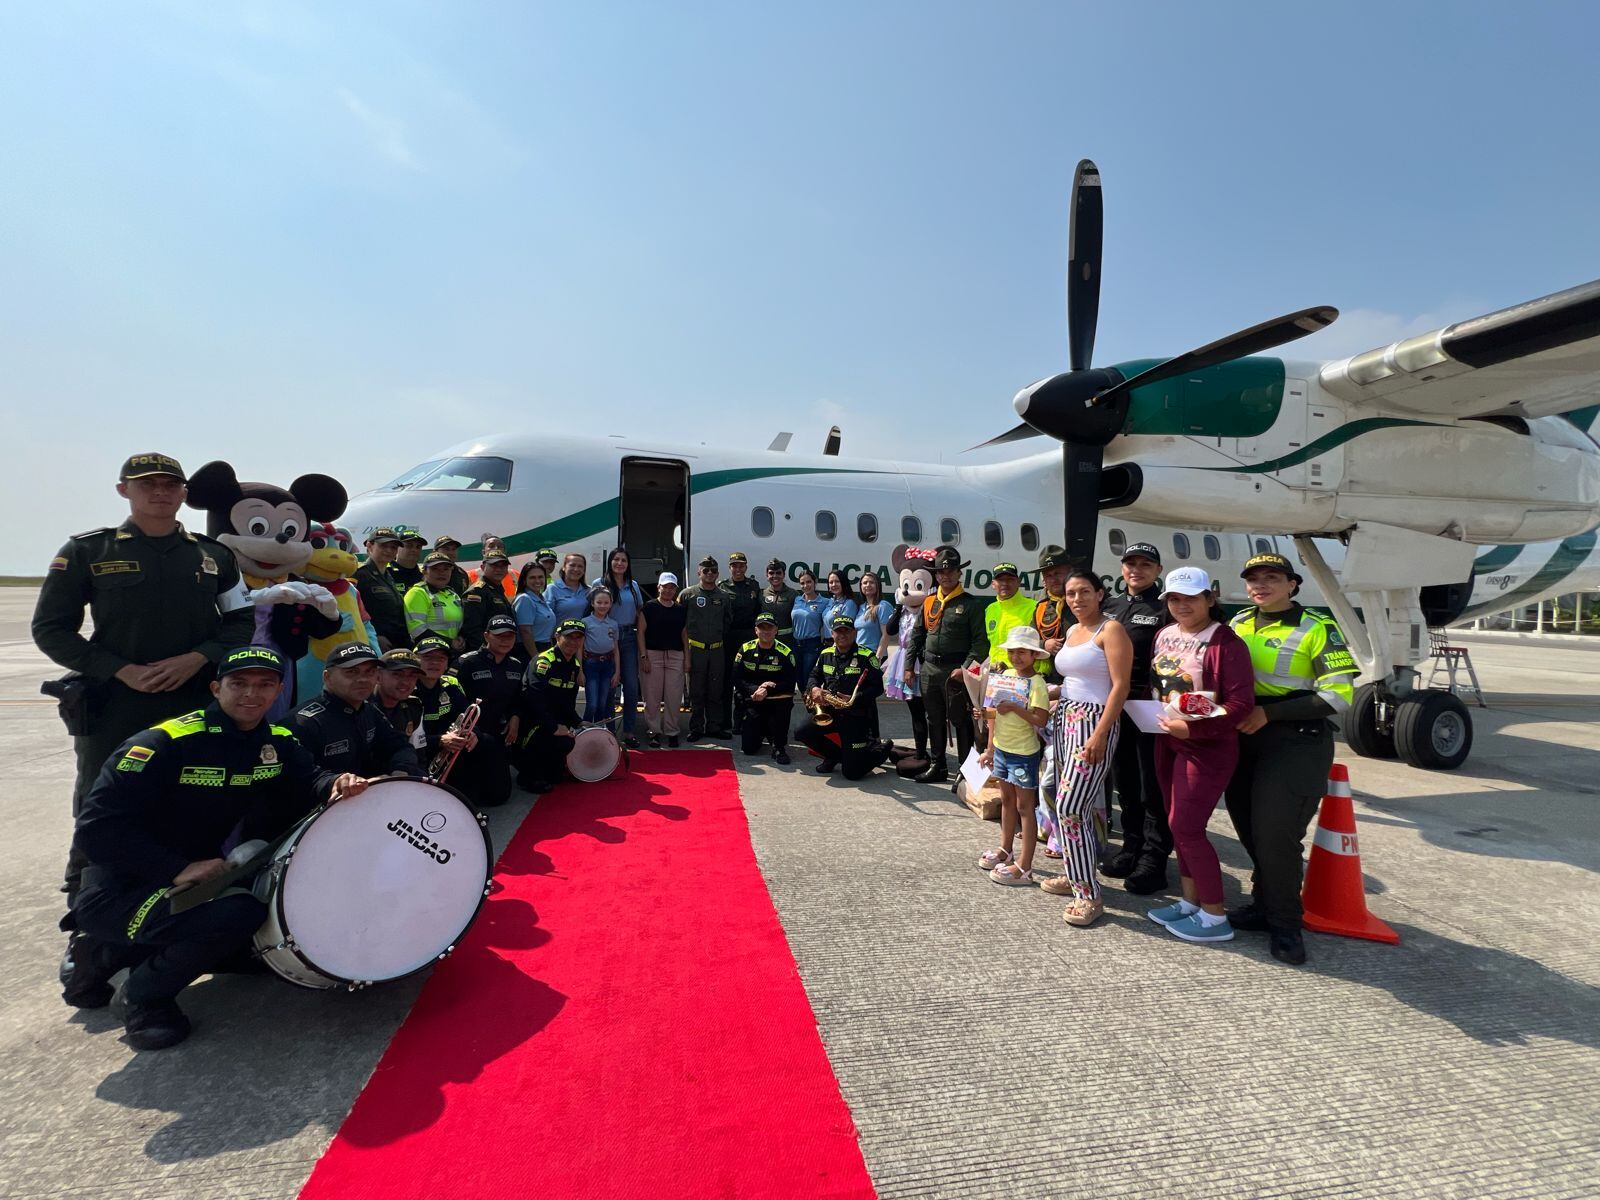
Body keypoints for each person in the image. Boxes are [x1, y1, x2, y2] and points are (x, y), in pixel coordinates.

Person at [63, 645, 362, 1049]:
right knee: (242, 913)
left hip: (197, 880)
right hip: (121, 889)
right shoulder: (164, 743)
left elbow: (309, 778)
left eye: (264, 685)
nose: (251, 695)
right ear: (216, 687)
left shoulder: (276, 741)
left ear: (278, 692)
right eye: (239, 684)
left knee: (254, 944)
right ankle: (142, 995)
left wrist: (337, 783)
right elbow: (95, 831)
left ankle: (108, 953)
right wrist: (174, 868)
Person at [33, 452, 255, 928]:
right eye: (146, 484)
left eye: (170, 485)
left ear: (183, 494)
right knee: (103, 802)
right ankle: (88, 909)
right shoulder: (88, 551)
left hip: (192, 700)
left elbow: (241, 621)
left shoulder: (213, 556)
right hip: (116, 705)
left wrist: (199, 657)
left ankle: (190, 895)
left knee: (193, 799)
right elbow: (51, 629)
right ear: (124, 491)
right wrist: (118, 670)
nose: (160, 492)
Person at [1223, 553, 1358, 964]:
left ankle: (1285, 924)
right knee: (1247, 826)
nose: (1260, 585)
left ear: (1292, 584)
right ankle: (1264, 905)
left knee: (1276, 835)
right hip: (1245, 738)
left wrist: (1271, 712)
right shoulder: (1238, 624)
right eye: (1253, 579)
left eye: (1272, 578)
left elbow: (1339, 695)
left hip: (1295, 740)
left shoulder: (1317, 628)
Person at [1144, 567, 1258, 946]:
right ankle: (1191, 902)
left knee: (1189, 828)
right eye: (1174, 599)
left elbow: (1240, 705)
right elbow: (1159, 684)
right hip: (1168, 739)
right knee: (1177, 826)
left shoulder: (1226, 643)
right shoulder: (1164, 634)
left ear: (1210, 598)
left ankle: (1214, 914)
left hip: (1207, 746)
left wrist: (1194, 730)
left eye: (1191, 598)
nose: (1181, 605)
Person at [1041, 570, 1133, 927]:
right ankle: (1075, 873)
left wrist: (1098, 735)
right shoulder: (1071, 631)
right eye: (1070, 594)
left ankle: (1090, 895)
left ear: (1099, 593)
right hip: (1064, 719)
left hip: (1094, 723)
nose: (1076, 599)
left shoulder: (1110, 630)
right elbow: (1074, 680)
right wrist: (1047, 693)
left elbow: (1120, 687)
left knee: (1070, 806)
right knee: (1070, 801)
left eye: (1084, 592)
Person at [1102, 542, 1174, 894]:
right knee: (1125, 781)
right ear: (1121, 568)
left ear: (1158, 570)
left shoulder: (1165, 608)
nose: (1137, 570)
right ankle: (1131, 847)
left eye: (1146, 564)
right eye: (1131, 563)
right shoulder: (1111, 607)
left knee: (1152, 787)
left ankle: (1153, 859)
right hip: (1115, 705)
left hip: (1149, 706)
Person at [906, 547, 989, 784]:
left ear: (959, 574)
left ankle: (964, 770)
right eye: (941, 572)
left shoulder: (971, 604)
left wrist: (965, 670)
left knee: (960, 720)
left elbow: (980, 643)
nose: (946, 576)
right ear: (936, 575)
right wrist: (909, 666)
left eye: (951, 571)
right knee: (933, 718)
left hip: (956, 672)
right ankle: (938, 765)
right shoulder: (930, 602)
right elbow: (917, 635)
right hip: (930, 670)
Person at [977, 627, 1052, 887]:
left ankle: (1025, 865)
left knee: (1025, 808)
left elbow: (1040, 719)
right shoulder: (1006, 676)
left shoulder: (1038, 683)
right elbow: (993, 716)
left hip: (1023, 753)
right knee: (1006, 801)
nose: (1016, 657)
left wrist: (1016, 708)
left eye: (1022, 652)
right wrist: (989, 745)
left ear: (1034, 655)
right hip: (1002, 749)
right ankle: (1005, 849)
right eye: (1011, 651)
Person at [290, 642, 424, 778]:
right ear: (327, 677)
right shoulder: (304, 723)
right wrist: (336, 784)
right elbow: (299, 779)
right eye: (352, 672)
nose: (363, 679)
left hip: (373, 794)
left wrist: (400, 771)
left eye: (369, 672)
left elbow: (400, 746)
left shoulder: (369, 711)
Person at [795, 614, 890, 780]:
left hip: (855, 716)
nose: (842, 635)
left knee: (852, 774)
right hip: (830, 711)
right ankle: (835, 756)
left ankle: (880, 751)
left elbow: (877, 688)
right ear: (832, 634)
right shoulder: (825, 654)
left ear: (854, 633)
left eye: (846, 631)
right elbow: (813, 676)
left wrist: (855, 698)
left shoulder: (866, 656)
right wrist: (815, 688)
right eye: (838, 631)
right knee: (802, 732)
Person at [452, 614, 523, 807]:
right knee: (470, 797)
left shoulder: (516, 665)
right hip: (471, 736)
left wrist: (515, 717)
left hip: (499, 735)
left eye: (509, 636)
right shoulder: (466, 662)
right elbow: (453, 699)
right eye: (499, 636)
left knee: (500, 796)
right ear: (486, 636)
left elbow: (518, 698)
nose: (505, 640)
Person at [517, 619, 586, 793]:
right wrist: (553, 727)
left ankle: (547, 770)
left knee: (557, 771)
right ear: (557, 636)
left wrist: (579, 723)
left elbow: (567, 703)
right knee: (558, 739)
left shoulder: (574, 665)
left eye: (578, 637)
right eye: (569, 637)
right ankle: (528, 777)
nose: (573, 642)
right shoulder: (544, 661)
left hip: (552, 718)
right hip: (531, 720)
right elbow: (533, 699)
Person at [594, 548, 645, 748]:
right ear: (610, 562)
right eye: (616, 559)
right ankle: (609, 731)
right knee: (609, 687)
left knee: (632, 687)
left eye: (624, 560)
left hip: (629, 637)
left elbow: (640, 611)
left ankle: (629, 731)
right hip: (607, 637)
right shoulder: (600, 584)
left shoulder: (633, 586)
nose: (620, 563)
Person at [734, 612, 797, 764]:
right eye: (762, 628)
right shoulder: (745, 649)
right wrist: (755, 689)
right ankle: (764, 731)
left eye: (770, 628)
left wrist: (768, 689)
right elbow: (736, 678)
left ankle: (779, 746)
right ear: (756, 630)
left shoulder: (785, 652)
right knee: (749, 749)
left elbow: (790, 682)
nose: (766, 631)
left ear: (776, 630)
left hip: (777, 702)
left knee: (783, 707)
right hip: (754, 699)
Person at [680, 556, 732, 739]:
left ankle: (714, 726)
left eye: (713, 571)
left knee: (716, 690)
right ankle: (696, 727)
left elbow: (727, 622)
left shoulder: (724, 597)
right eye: (706, 570)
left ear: (718, 574)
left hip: (717, 649)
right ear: (699, 572)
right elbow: (680, 624)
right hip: (696, 649)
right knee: (696, 690)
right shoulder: (688, 594)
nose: (710, 574)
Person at [639, 572, 688, 747]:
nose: (668, 590)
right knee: (651, 697)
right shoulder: (649, 607)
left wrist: (687, 659)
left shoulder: (681, 609)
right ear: (658, 587)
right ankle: (654, 731)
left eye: (672, 587)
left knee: (674, 697)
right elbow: (641, 633)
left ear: (676, 589)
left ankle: (672, 731)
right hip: (653, 655)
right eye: (665, 586)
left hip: (675, 656)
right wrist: (643, 656)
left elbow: (684, 635)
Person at [413, 635, 475, 768]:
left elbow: (468, 717)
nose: (435, 663)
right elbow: (403, 739)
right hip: (416, 753)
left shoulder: (451, 685)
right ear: (415, 660)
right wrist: (439, 740)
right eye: (428, 657)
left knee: (488, 744)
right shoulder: (406, 688)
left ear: (447, 664)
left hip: (446, 751)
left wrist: (473, 734)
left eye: (441, 658)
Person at [718, 551, 763, 734]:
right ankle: (725, 720)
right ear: (729, 568)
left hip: (748, 637)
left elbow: (758, 612)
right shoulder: (722, 587)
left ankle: (742, 720)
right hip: (729, 637)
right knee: (727, 679)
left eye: (741, 565)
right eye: (734, 565)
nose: (738, 568)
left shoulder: (753, 586)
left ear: (746, 567)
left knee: (746, 679)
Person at [853, 571, 895, 741]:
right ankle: (864, 733)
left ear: (878, 585)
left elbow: (886, 635)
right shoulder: (862, 607)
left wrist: (877, 657)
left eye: (871, 582)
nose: (867, 585)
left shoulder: (883, 606)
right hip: (860, 656)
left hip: (873, 657)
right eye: (864, 583)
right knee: (860, 698)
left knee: (867, 698)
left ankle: (873, 736)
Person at [355, 528, 412, 651]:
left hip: (397, 642)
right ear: (370, 546)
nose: (389, 550)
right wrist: (374, 636)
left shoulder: (388, 576)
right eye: (383, 546)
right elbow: (353, 611)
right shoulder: (360, 575)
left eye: (393, 547)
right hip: (376, 644)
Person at [403, 552, 466, 651]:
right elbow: (417, 630)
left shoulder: (452, 594)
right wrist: (450, 642)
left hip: (450, 652)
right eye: (435, 569)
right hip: (428, 653)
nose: (442, 573)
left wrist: (461, 637)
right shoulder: (417, 593)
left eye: (446, 569)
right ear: (424, 571)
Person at [460, 549, 517, 654]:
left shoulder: (497, 589)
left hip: (501, 650)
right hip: (485, 653)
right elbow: (472, 629)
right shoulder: (477, 591)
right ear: (482, 567)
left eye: (503, 566)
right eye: (494, 565)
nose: (499, 569)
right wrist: (486, 653)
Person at [581, 586, 623, 725]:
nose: (602, 606)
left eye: (606, 603)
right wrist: (580, 670)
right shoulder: (585, 622)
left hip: (608, 666)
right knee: (592, 704)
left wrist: (617, 672)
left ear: (611, 604)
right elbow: (580, 648)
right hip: (591, 665)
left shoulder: (613, 624)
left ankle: (598, 733)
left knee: (602, 703)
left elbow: (615, 648)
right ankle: (584, 729)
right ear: (592, 603)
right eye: (599, 602)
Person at [373, 648, 426, 752]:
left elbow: (418, 752)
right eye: (397, 674)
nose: (405, 682)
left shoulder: (413, 706)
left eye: (412, 675)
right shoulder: (361, 707)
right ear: (378, 676)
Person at [790, 570, 830, 691]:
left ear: (815, 582)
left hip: (812, 645)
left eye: (809, 582)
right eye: (802, 583)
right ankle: (810, 705)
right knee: (799, 680)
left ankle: (814, 707)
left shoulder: (824, 602)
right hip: (796, 644)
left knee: (809, 679)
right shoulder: (797, 600)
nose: (805, 585)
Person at [513, 561, 556, 658]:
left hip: (545, 648)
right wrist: (535, 657)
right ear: (524, 580)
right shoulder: (525, 599)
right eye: (532, 577)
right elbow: (525, 631)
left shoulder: (540, 598)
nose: (537, 581)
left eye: (540, 577)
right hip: (530, 650)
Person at [760, 558, 799, 648]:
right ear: (767, 575)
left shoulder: (793, 594)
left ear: (784, 575)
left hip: (787, 640)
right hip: (767, 640)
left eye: (778, 573)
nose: (775, 576)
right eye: (771, 573)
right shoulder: (762, 594)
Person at [546, 552, 592, 623]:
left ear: (584, 570)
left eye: (580, 566)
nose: (576, 569)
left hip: (583, 633)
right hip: (559, 634)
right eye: (572, 565)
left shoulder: (589, 590)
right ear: (564, 567)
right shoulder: (552, 589)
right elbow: (545, 618)